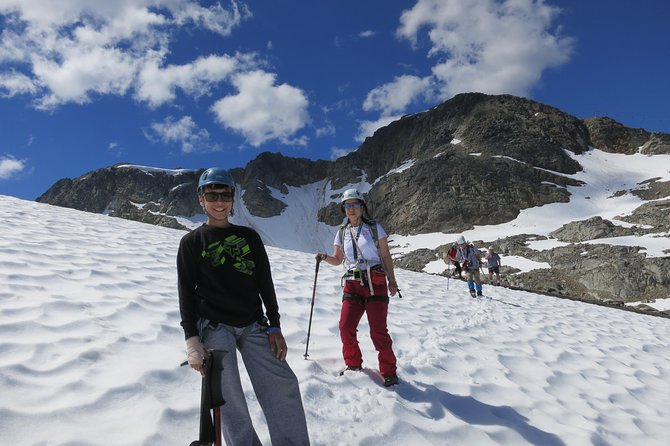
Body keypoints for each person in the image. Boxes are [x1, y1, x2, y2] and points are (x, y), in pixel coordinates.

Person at [177, 167, 310, 446]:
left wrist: (274, 324)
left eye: (225, 194)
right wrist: (192, 341)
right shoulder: (192, 242)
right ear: (201, 198)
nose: (219, 201)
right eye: (212, 194)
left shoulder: (249, 238)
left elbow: (265, 282)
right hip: (213, 325)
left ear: (233, 198)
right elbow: (186, 293)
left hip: (253, 323)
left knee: (283, 384)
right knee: (229, 400)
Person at [316, 188, 399, 387]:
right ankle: (353, 364)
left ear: (362, 207)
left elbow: (385, 255)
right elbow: (338, 260)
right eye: (347, 205)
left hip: (375, 282)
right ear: (343, 208)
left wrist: (392, 281)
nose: (351, 209)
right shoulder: (342, 232)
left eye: (355, 204)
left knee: (378, 330)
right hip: (352, 283)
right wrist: (324, 257)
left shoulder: (374, 228)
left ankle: (389, 372)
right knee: (345, 327)